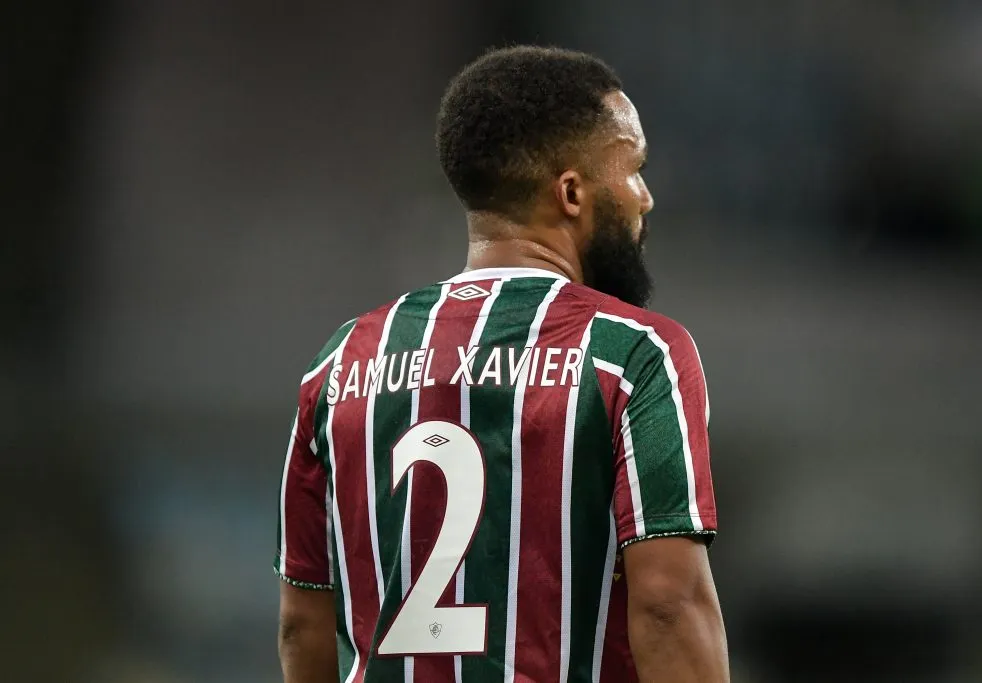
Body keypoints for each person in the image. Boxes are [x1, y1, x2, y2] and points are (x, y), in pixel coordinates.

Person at [274, 45, 729, 683]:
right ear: (572, 192)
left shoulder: (342, 360)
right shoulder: (632, 354)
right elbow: (667, 605)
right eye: (634, 169)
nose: (645, 198)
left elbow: (304, 622)